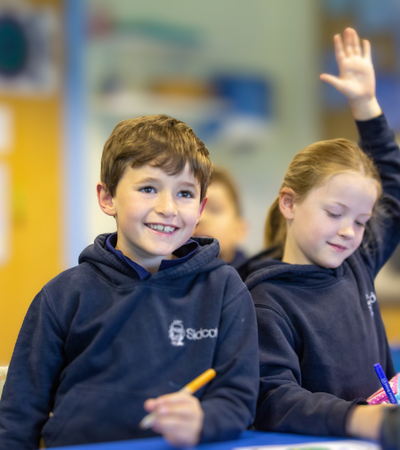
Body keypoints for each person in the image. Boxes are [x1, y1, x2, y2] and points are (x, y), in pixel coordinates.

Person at [0, 115, 259, 449]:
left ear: (200, 208)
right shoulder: (62, 296)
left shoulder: (226, 290)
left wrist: (204, 421)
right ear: (108, 197)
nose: (168, 208)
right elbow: (17, 417)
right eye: (148, 188)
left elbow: (239, 399)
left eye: (184, 193)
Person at [245, 28, 400, 440]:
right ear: (289, 204)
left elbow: (395, 191)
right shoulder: (266, 300)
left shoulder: (358, 263)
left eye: (362, 220)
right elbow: (273, 398)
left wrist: (366, 105)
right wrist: (361, 418)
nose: (349, 231)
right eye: (335, 213)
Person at [194, 167, 248, 269]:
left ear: (240, 230)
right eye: (195, 209)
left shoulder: (256, 282)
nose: (201, 218)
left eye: (214, 209)